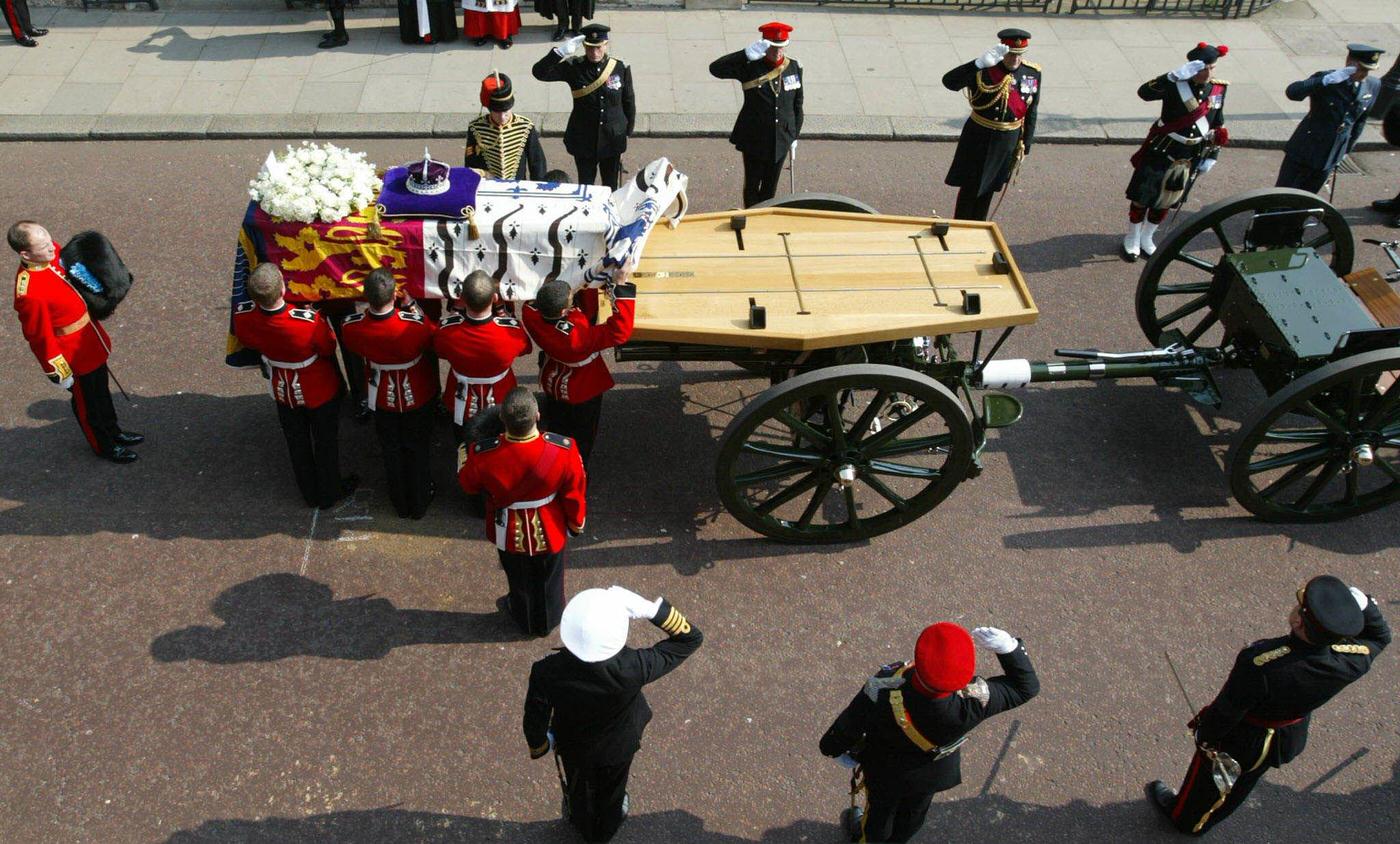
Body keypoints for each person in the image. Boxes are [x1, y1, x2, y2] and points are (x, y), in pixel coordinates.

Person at [1146, 575, 1389, 836]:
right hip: (1285, 736)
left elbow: (1229, 709)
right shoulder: (1352, 661)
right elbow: (1380, 637)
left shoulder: (1261, 663)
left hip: (1245, 738)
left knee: (1208, 783)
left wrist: (1207, 736)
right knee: (1242, 784)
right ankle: (1209, 818)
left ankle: (1186, 820)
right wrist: (1363, 606)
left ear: (1299, 621)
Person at [819, 622, 1039, 843]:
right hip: (932, 774)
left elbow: (850, 724)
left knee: (878, 817)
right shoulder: (974, 702)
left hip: (886, 771)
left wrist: (835, 750)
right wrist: (1008, 648)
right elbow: (1025, 687)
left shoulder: (883, 688)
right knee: (913, 815)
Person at [524, 586, 703, 842]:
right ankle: (605, 829)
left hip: (572, 743)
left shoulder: (545, 670)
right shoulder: (635, 667)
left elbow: (535, 715)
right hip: (619, 745)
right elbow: (691, 639)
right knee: (612, 792)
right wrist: (652, 609)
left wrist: (540, 744)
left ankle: (580, 818)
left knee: (577, 785)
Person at [458, 386, 586, 636]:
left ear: (502, 419)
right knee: (550, 580)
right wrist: (575, 523)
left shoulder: (483, 453)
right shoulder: (564, 450)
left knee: (518, 578)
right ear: (537, 415)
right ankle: (549, 621)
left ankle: (523, 617)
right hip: (550, 527)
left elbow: (468, 484)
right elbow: (574, 493)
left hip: (508, 528)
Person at [10, 221, 141, 463]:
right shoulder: (29, 293)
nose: (52, 247)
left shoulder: (50, 255)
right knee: (87, 404)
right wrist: (56, 369)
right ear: (25, 254)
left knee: (101, 393)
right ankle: (103, 445)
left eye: (49, 240)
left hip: (90, 338)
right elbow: (39, 336)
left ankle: (114, 431)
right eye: (44, 246)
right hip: (73, 354)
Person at [233, 263, 357, 508]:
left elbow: (247, 339)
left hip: (282, 388)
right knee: (325, 442)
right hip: (318, 388)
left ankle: (309, 493)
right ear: (282, 289)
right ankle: (330, 491)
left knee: (297, 443)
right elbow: (328, 347)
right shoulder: (307, 322)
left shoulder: (243, 315)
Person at [339, 268, 439, 520]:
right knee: (417, 448)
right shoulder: (413, 325)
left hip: (381, 392)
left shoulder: (352, 327)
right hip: (416, 390)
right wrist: (412, 306)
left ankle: (399, 500)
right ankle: (419, 500)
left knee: (391, 448)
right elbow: (432, 337)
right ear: (395, 294)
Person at [1122, 43, 1230, 261]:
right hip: (1164, 148)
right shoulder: (1175, 84)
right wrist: (1170, 77)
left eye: (1212, 67)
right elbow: (1144, 93)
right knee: (1143, 196)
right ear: (1192, 68)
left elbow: (1217, 124)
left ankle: (1147, 237)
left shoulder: (1218, 89)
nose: (1208, 73)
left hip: (1191, 154)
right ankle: (1132, 237)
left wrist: (1212, 155)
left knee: (1168, 199)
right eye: (1203, 68)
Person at [522, 266, 636, 466]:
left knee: (557, 428)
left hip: (553, 377)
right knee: (582, 438)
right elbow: (620, 331)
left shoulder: (530, 313)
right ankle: (577, 471)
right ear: (564, 310)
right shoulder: (578, 337)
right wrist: (620, 288)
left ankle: (553, 465)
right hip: (582, 385)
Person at [941, 29, 1041, 221]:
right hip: (979, 136)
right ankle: (961, 227)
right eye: (1011, 54)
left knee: (990, 187)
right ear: (1003, 52)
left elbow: (1032, 110)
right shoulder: (985, 70)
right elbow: (949, 82)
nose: (1015, 59)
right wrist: (977, 64)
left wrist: (1025, 145)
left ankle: (978, 228)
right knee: (970, 188)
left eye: (1019, 55)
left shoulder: (1032, 72)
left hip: (1006, 141)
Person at [709, 22, 804, 208]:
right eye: (773, 47)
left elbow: (797, 105)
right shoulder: (750, 66)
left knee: (770, 188)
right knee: (752, 186)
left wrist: (794, 135)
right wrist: (744, 54)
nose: (777, 52)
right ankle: (751, 219)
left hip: (781, 138)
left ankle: (763, 223)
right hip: (754, 137)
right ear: (764, 44)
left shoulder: (793, 67)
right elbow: (715, 69)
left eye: (781, 47)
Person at [532, 24, 636, 190]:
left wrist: (627, 133)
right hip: (584, 139)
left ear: (606, 45)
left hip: (612, 139)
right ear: (584, 46)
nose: (594, 53)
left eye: (598, 48)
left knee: (610, 187)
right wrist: (560, 53)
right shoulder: (574, 67)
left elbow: (628, 101)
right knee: (586, 187)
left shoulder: (620, 67)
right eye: (589, 48)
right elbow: (539, 73)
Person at [433, 269, 532, 443]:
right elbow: (526, 348)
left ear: (462, 299)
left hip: (460, 398)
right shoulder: (511, 330)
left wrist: (455, 312)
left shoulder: (447, 330)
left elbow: (439, 351)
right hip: (501, 397)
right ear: (494, 298)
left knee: (463, 449)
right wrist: (502, 311)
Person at [1276, 44, 1386, 193]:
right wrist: (1324, 80)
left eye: (1368, 70)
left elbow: (1359, 122)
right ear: (1350, 63)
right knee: (1282, 193)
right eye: (1362, 69)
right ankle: (1267, 216)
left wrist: (1345, 151)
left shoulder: (1373, 85)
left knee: (1308, 196)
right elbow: (1293, 93)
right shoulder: (1329, 79)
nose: (1364, 75)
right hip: (1306, 147)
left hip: (1332, 153)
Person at [465, 73, 548, 181]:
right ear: (490, 110)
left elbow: (537, 162)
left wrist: (537, 188)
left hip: (518, 186)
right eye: (497, 112)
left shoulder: (525, 127)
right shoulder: (475, 128)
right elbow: (471, 161)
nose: (502, 117)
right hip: (488, 185)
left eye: (505, 111)